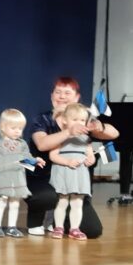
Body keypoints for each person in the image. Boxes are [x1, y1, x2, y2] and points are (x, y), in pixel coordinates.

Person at [25, 76, 118, 238]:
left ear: (76, 97)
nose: (62, 96)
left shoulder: (83, 119)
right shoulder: (42, 119)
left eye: (67, 93)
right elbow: (42, 145)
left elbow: (114, 133)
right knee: (47, 197)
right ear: (51, 96)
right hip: (43, 178)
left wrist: (99, 127)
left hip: (74, 181)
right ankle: (38, 219)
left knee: (92, 230)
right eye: (58, 92)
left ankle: (60, 222)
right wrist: (69, 131)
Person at [0, 108, 44, 238]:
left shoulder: (22, 144)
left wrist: (35, 161)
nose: (18, 131)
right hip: (3, 179)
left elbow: (27, 159)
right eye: (13, 128)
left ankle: (12, 227)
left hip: (17, 179)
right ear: (3, 127)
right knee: (2, 202)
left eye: (20, 128)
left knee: (15, 204)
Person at [48, 103, 95, 240]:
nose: (79, 123)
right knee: (62, 201)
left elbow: (90, 155)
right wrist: (67, 162)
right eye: (75, 120)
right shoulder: (60, 137)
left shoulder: (86, 139)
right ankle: (59, 227)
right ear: (64, 120)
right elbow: (53, 156)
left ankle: (75, 229)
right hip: (64, 172)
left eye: (82, 120)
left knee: (77, 202)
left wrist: (90, 160)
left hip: (79, 174)